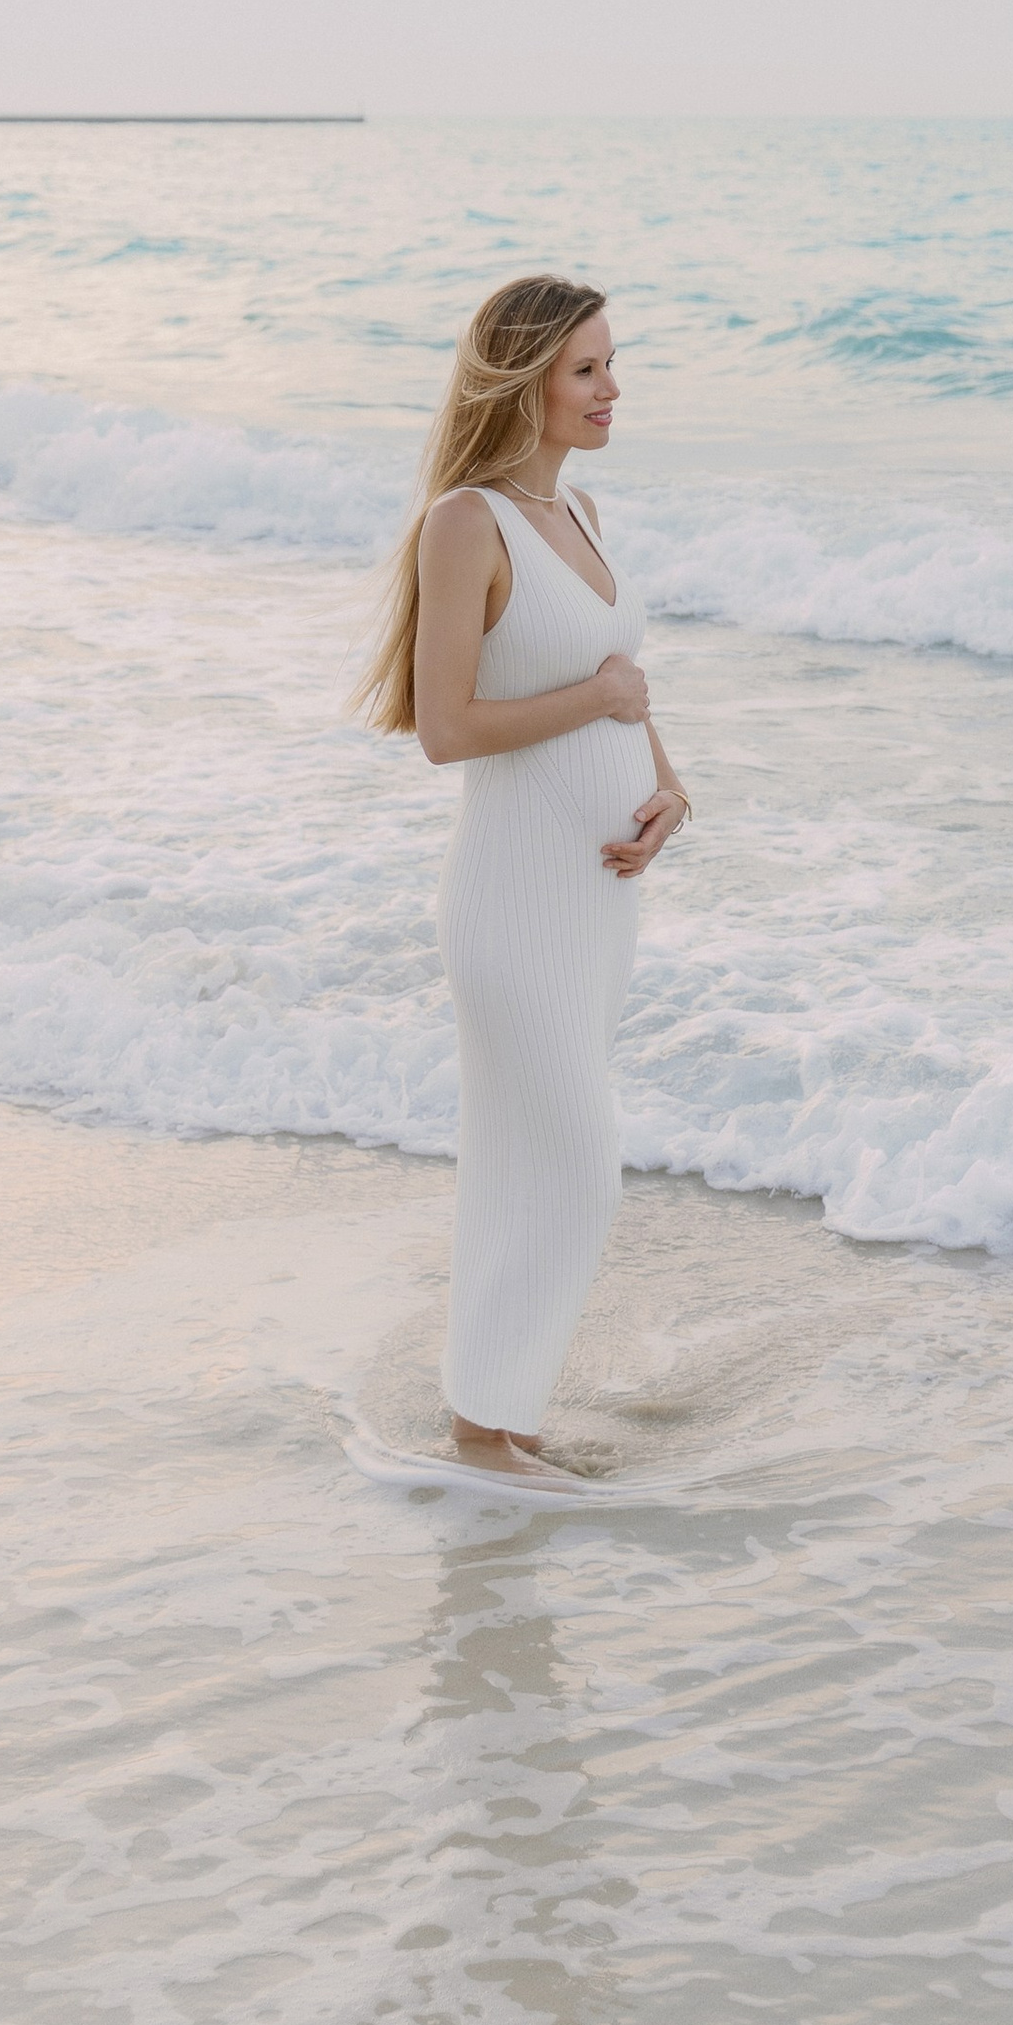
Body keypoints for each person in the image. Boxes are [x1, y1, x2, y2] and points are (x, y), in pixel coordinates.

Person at [361, 276, 692, 1480]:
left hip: (598, 899)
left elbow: (619, 678)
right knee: (575, 1159)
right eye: (586, 370)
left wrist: (665, 787)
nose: (612, 389)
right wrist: (603, 703)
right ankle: (480, 1426)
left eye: (611, 364)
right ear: (524, 380)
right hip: (510, 898)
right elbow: (446, 726)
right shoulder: (466, 522)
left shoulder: (585, 513)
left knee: (528, 1154)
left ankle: (501, 1420)